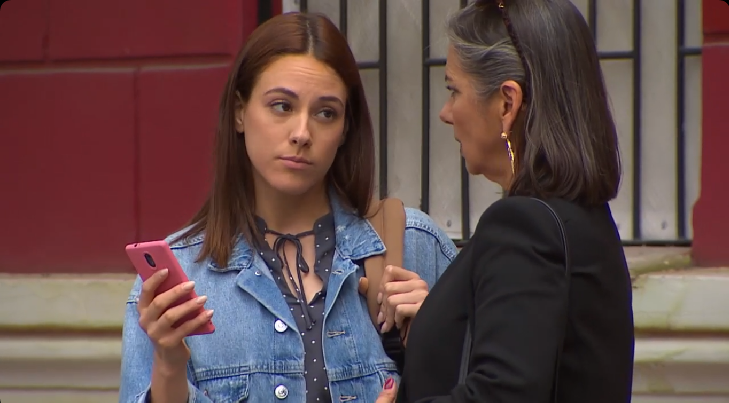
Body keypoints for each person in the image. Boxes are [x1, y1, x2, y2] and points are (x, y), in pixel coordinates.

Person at [118, 12, 457, 403]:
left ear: (345, 129)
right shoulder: (179, 281)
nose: (301, 133)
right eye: (281, 106)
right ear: (240, 111)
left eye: (326, 113)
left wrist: (437, 342)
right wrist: (168, 366)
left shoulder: (413, 246)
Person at [387, 0, 636, 402]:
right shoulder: (584, 220)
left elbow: (502, 392)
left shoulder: (524, 226)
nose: (446, 113)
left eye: (454, 90)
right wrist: (443, 318)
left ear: (507, 103)